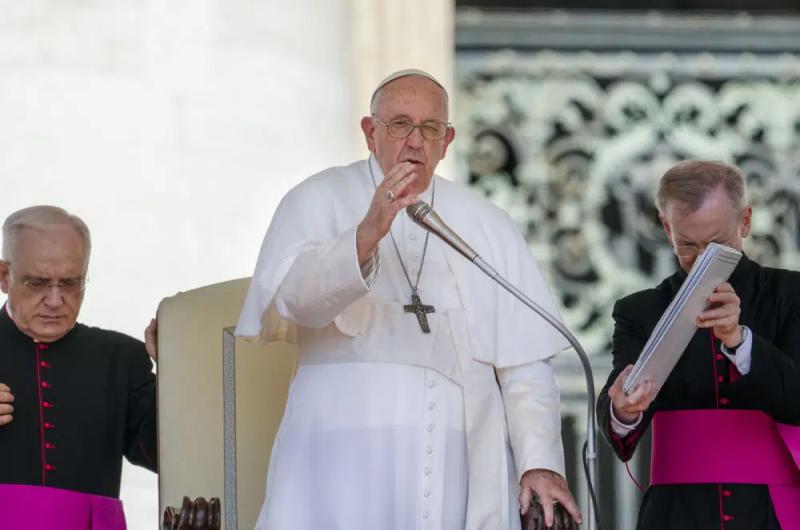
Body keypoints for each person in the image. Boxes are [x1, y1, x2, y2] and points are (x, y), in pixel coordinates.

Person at [236, 69, 582, 530]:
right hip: (339, 452)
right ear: (369, 132)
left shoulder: (486, 222)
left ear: (448, 139)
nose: (415, 141)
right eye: (399, 124)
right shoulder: (316, 199)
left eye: (430, 128)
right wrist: (364, 237)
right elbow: (292, 302)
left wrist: (540, 462)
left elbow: (525, 365)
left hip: (454, 454)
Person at [597, 160, 800, 530]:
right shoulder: (639, 311)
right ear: (665, 227)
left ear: (746, 221)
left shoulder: (790, 295)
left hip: (774, 511)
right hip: (677, 515)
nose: (704, 259)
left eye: (718, 244)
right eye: (688, 245)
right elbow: (618, 422)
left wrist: (740, 342)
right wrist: (624, 409)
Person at [0, 205, 158, 529]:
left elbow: (171, 458)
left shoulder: (122, 359)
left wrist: (180, 369)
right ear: (4, 276)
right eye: (38, 283)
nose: (56, 300)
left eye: (70, 283)